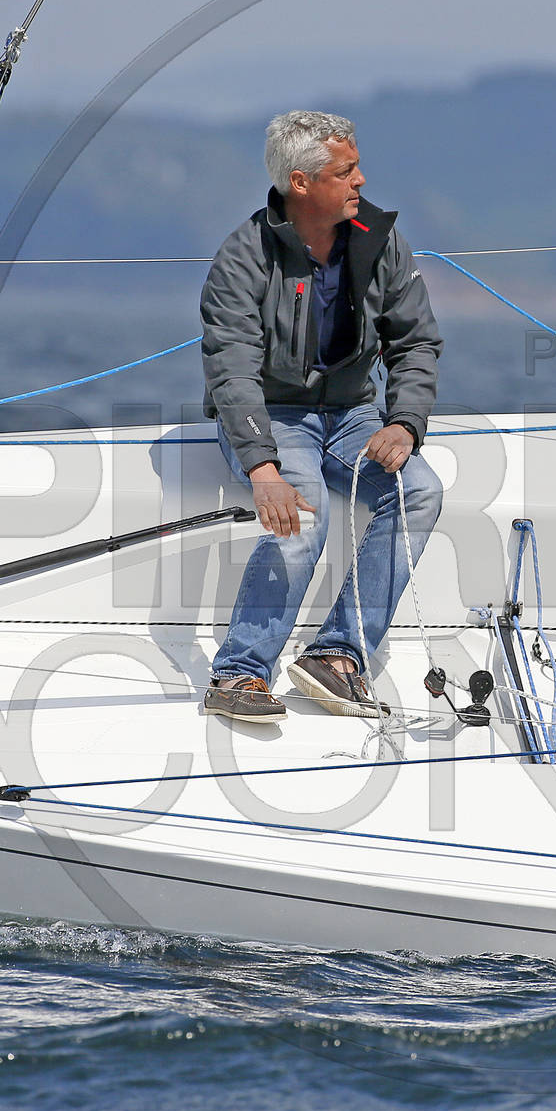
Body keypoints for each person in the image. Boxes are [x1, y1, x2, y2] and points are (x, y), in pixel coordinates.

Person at [199, 111, 444, 724]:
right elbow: (232, 372)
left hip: (354, 415)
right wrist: (263, 468)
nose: (361, 180)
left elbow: (415, 342)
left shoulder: (380, 241)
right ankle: (240, 672)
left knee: (420, 490)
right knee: (304, 509)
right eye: (345, 171)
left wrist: (404, 422)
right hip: (272, 416)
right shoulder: (242, 256)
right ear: (301, 183)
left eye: (356, 167)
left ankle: (336, 655)